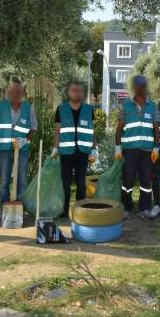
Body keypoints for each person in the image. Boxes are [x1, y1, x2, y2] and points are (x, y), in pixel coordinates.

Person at [115, 75, 160, 219]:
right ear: (134, 87)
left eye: (142, 85)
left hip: (147, 151)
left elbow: (156, 129)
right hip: (129, 150)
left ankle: (144, 208)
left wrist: (156, 148)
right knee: (127, 180)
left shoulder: (153, 106)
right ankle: (126, 208)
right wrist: (118, 148)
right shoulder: (125, 105)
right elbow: (119, 128)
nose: (140, 88)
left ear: (145, 87)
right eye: (137, 85)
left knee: (145, 180)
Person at [52, 81, 96, 218]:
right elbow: (58, 131)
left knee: (81, 184)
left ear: (82, 93)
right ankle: (64, 212)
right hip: (66, 152)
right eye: (73, 90)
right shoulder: (61, 109)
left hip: (82, 152)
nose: (76, 93)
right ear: (68, 92)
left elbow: (91, 130)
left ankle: (79, 211)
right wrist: (55, 148)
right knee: (65, 184)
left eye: (79, 90)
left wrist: (94, 148)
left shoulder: (89, 109)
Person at [0, 80, 37, 214]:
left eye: (18, 91)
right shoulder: (1, 106)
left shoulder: (28, 107)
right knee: (4, 181)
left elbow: (33, 127)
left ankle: (20, 210)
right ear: (8, 92)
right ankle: (4, 210)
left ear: (22, 93)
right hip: (4, 149)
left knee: (22, 181)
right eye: (12, 91)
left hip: (22, 149)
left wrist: (25, 140)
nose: (15, 94)